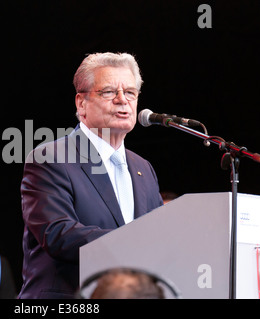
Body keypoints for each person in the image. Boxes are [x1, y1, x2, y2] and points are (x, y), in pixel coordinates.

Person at [19, 52, 163, 299]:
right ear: (81, 103)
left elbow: (161, 235)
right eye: (108, 92)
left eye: (130, 92)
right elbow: (58, 234)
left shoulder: (143, 169)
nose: (122, 100)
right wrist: (135, 242)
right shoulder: (50, 158)